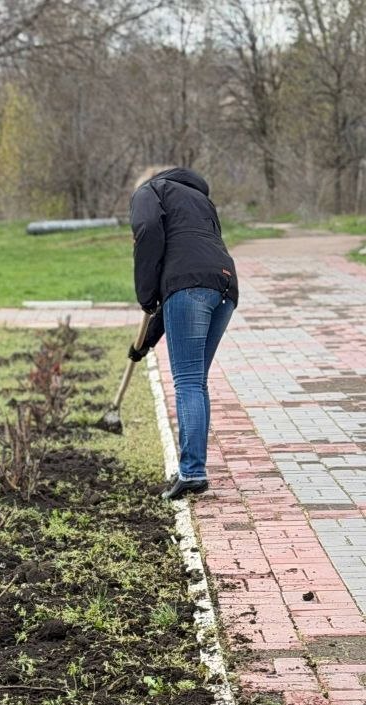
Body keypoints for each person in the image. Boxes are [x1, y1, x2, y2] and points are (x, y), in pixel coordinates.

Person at [129, 167, 238, 500]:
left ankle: (191, 473)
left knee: (188, 382)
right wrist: (144, 344)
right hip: (225, 286)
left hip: (190, 287)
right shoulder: (199, 199)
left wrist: (145, 294)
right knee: (196, 381)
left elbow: (147, 231)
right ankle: (194, 469)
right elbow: (183, 280)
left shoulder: (149, 191)